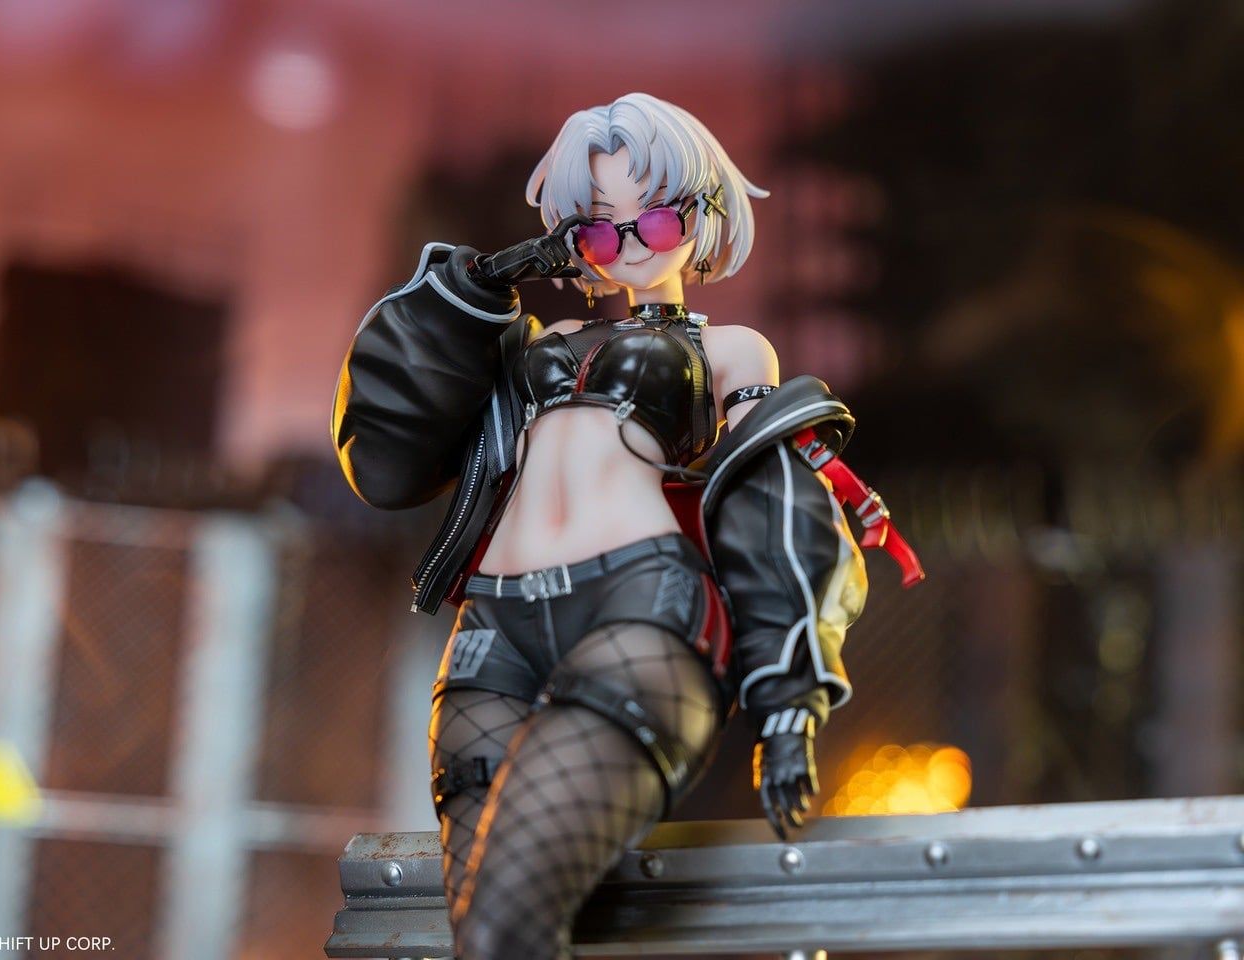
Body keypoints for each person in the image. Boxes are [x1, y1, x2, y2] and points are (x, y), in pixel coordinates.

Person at [332, 92, 914, 960]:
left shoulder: (732, 350)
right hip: (493, 630)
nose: (634, 244)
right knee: (485, 936)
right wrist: (489, 278)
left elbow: (774, 499)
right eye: (601, 230)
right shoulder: (531, 338)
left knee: (504, 928)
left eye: (661, 217)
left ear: (705, 216)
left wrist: (789, 698)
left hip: (634, 613)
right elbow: (392, 439)